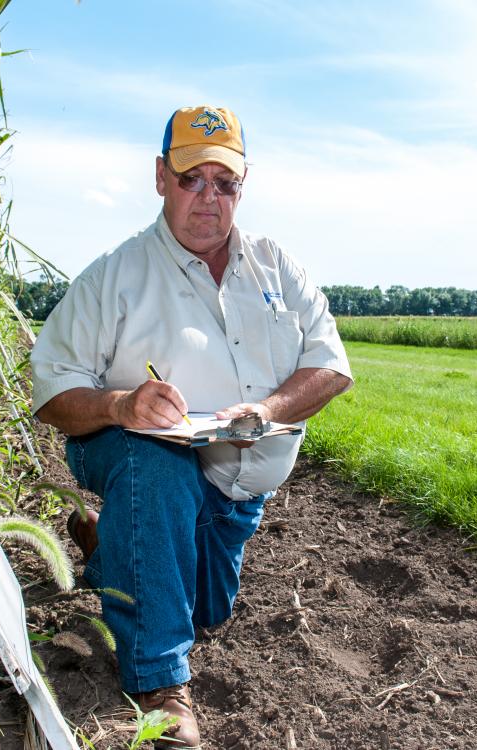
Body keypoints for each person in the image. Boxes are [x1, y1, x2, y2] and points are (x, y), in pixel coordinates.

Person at [30, 105, 353, 748]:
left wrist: (267, 411)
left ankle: (111, 548)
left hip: (236, 495)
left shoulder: (277, 267)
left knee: (206, 611)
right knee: (157, 463)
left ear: (242, 187)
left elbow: (331, 368)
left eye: (224, 183)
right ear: (160, 178)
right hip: (131, 454)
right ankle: (160, 685)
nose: (209, 198)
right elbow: (51, 394)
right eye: (191, 179)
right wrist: (121, 406)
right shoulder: (114, 276)